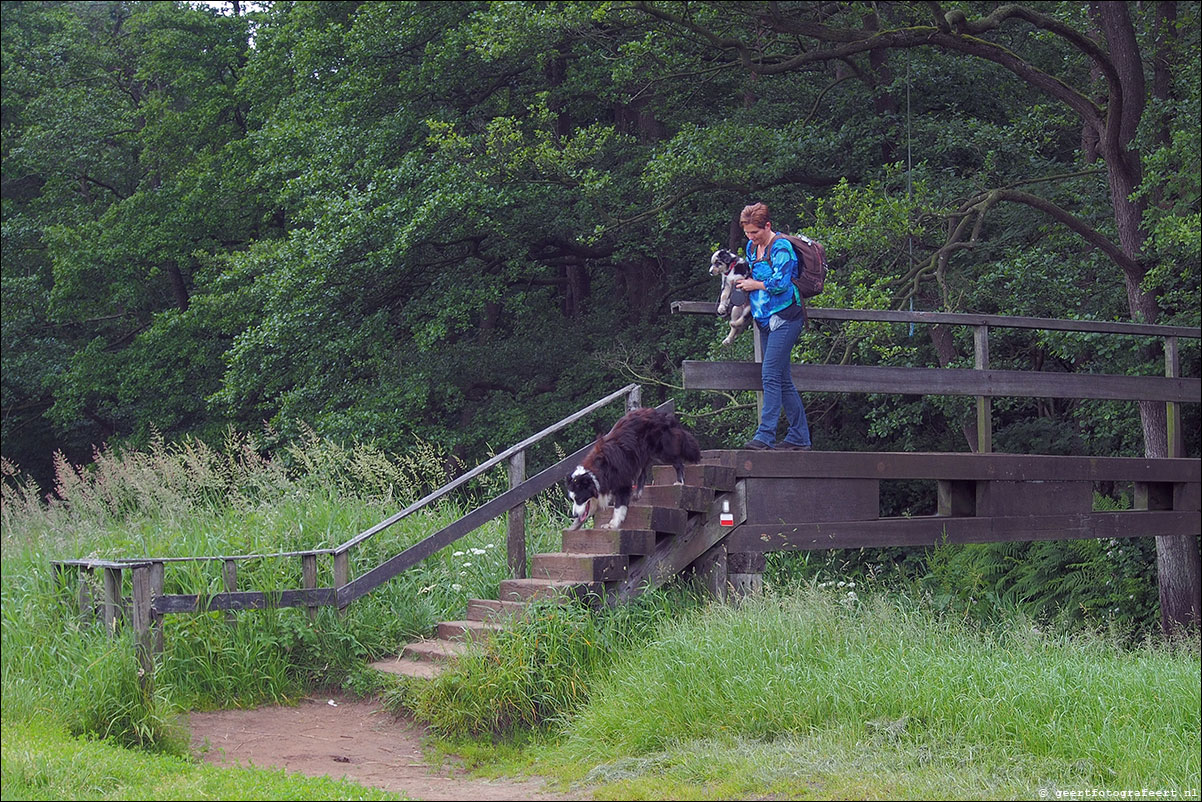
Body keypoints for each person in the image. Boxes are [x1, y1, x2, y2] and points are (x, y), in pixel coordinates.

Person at [735, 202, 812, 451]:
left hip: (787, 317)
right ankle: (799, 436)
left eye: (755, 232)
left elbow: (782, 282)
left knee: (769, 375)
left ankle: (765, 436)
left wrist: (754, 285)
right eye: (747, 233)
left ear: (767, 226)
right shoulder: (751, 247)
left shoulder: (781, 247)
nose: (751, 238)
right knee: (782, 379)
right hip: (765, 319)